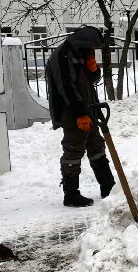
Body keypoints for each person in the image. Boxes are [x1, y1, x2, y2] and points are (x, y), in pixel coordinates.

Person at [43, 26, 116, 207]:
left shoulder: (79, 54)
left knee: (96, 146)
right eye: (92, 48)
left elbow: (89, 83)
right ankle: (71, 195)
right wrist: (80, 114)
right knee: (74, 150)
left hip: (88, 108)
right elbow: (67, 89)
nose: (92, 51)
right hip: (73, 112)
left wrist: (93, 68)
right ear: (85, 42)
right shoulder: (63, 55)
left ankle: (108, 186)